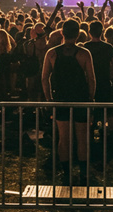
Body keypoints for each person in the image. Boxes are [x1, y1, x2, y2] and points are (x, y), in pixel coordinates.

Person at [41, 18, 96, 182]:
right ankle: (84, 173)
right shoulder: (84, 53)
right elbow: (92, 79)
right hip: (81, 100)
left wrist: (49, 99)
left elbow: (44, 78)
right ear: (78, 34)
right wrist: (91, 99)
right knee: (82, 138)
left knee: (63, 138)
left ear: (61, 33)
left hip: (60, 100)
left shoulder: (51, 53)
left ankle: (66, 173)